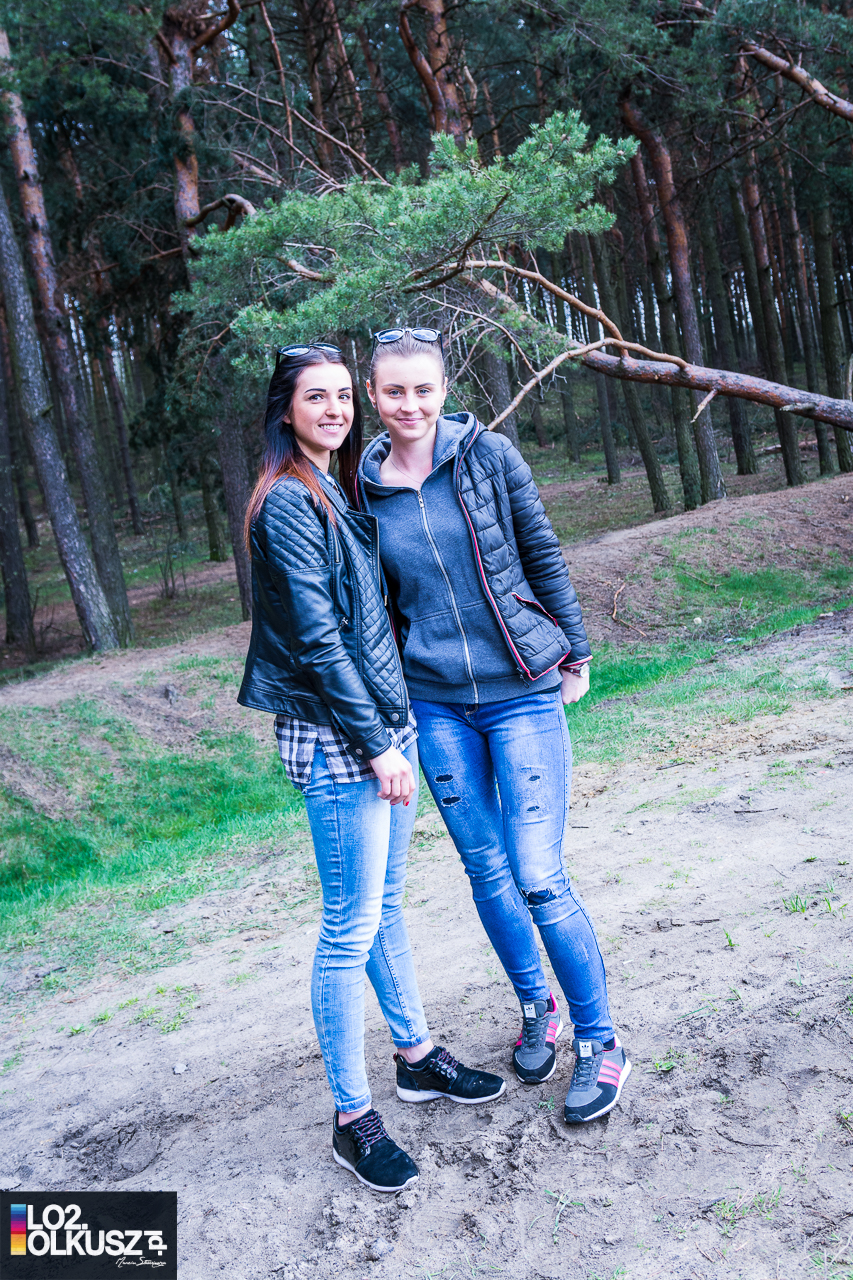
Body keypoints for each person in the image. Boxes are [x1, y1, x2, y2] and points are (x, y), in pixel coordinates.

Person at [238, 342, 505, 1194]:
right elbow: (319, 642)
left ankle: (415, 1056)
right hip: (341, 738)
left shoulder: (334, 487)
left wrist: (394, 727)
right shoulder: (288, 501)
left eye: (343, 397)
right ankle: (351, 1119)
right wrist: (378, 744)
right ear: (286, 410)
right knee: (347, 927)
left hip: (384, 723)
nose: (335, 411)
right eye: (315, 398)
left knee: (383, 907)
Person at [358, 328, 631, 1125]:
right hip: (435, 703)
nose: (409, 405)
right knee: (485, 869)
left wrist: (574, 648)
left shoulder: (489, 456)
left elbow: (540, 551)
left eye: (423, 389)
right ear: (373, 395)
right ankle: (536, 1007)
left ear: (443, 390)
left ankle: (601, 1042)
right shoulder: (361, 486)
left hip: (521, 690)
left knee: (538, 872)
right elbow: (374, 604)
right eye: (393, 391)